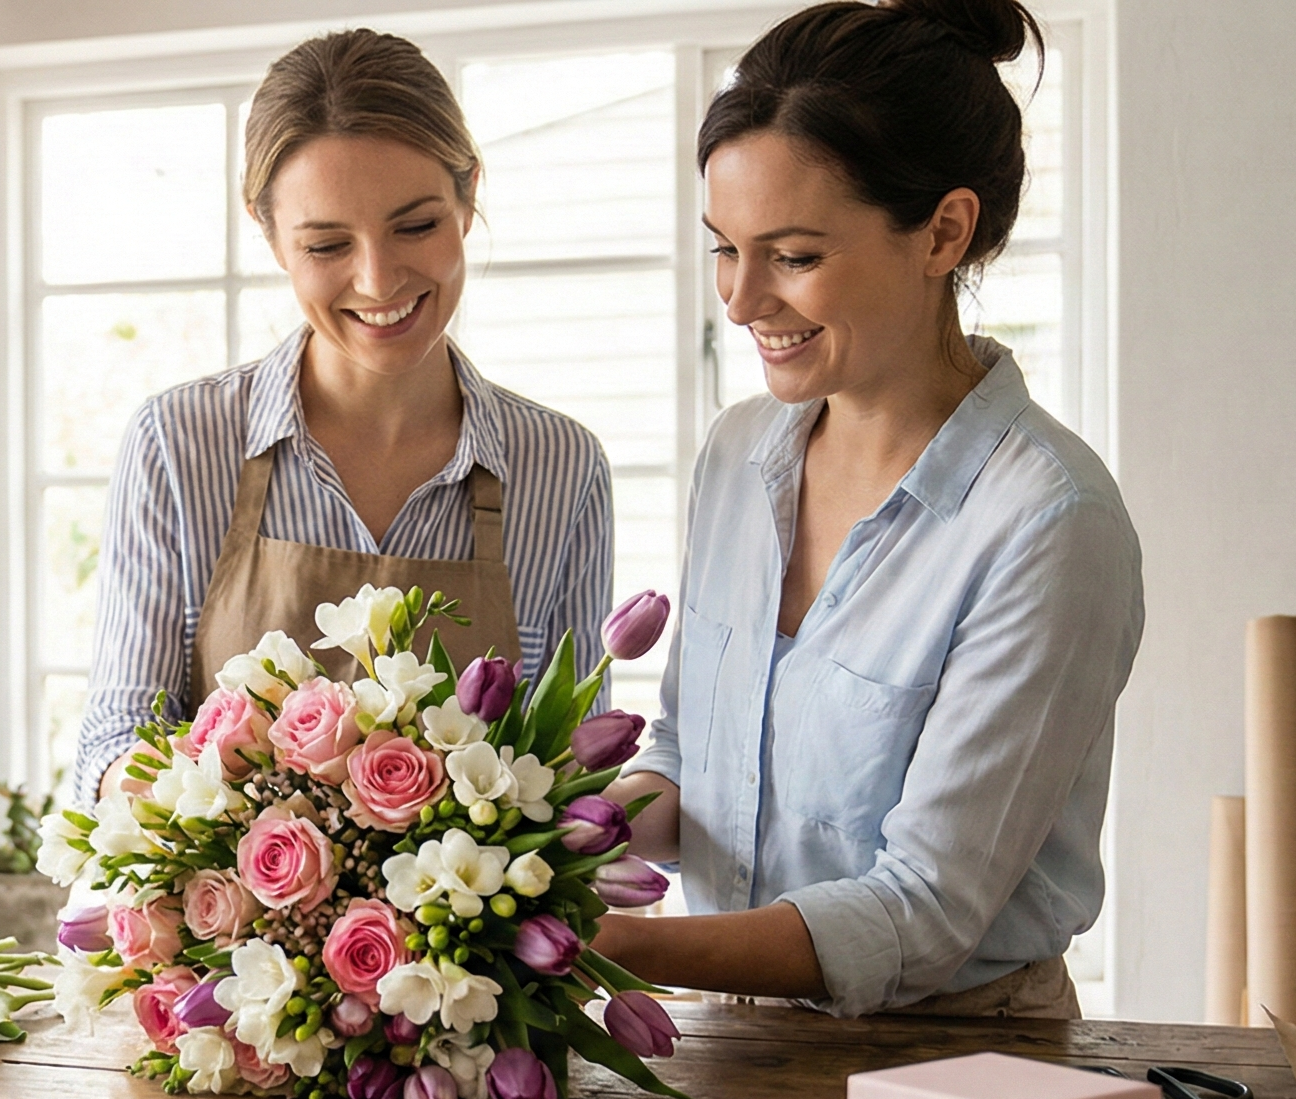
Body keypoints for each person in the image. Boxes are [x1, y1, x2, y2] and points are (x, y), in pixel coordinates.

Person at [588, 0, 1144, 1019]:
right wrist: (531, 840)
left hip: (957, 1066)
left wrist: (608, 944)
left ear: (943, 232)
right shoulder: (740, 453)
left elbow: (922, 913)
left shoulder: (1047, 525)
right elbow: (693, 770)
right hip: (731, 1046)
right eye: (725, 248)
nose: (741, 299)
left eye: (793, 256)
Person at [71, 29, 613, 802]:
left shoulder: (561, 466)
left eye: (417, 225)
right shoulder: (178, 444)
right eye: (327, 244)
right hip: (224, 928)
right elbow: (113, 741)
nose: (378, 278)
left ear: (469, 196)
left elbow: (568, 775)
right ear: (269, 234)